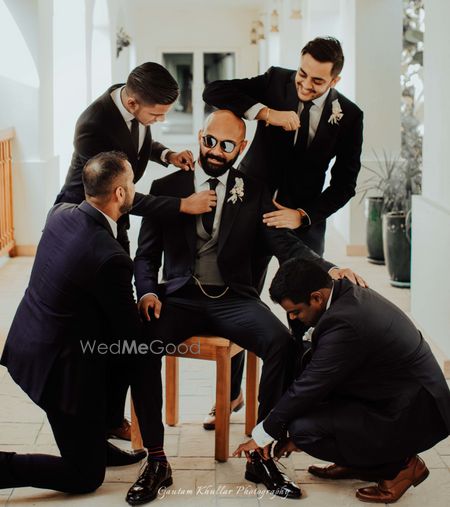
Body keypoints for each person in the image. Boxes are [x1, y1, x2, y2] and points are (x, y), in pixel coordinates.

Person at [126, 110, 365, 505]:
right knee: (139, 345)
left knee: (282, 343)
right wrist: (147, 292)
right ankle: (156, 459)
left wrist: (329, 267)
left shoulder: (254, 191)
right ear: (200, 136)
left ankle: (261, 453)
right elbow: (145, 255)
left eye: (226, 145)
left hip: (234, 298)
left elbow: (285, 244)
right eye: (209, 141)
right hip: (180, 296)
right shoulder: (167, 185)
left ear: (242, 146)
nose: (215, 152)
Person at [203, 36, 364, 413]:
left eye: (317, 82)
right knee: (240, 297)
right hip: (249, 210)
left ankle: (293, 401)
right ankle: (231, 393)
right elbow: (215, 90)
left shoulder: (350, 117)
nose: (305, 86)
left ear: (335, 81)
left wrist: (303, 216)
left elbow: (345, 184)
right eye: (303, 75)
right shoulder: (277, 81)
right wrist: (265, 113)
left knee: (305, 313)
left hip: (302, 221)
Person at [56, 62, 215, 440]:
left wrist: (167, 155)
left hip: (114, 220)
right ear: (131, 101)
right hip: (86, 220)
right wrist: (182, 206)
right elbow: (123, 196)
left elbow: (138, 140)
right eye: (156, 114)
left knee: (121, 326)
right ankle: (95, 416)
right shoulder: (91, 125)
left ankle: (111, 417)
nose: (158, 121)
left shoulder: (125, 98)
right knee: (103, 325)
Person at [234, 259, 450, 504]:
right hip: (390, 392)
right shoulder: (342, 294)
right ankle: (359, 462)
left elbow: (309, 386)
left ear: (316, 297)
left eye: (296, 311)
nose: (293, 317)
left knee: (304, 431)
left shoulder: (345, 322)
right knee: (305, 409)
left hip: (414, 411)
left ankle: (401, 467)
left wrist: (263, 434)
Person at [0, 152, 154, 494]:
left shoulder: (61, 213)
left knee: (110, 357)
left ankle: (96, 443)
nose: (133, 190)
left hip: (29, 343)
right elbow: (128, 330)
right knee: (85, 476)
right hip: (59, 372)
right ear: (118, 194)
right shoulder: (109, 257)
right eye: (131, 184)